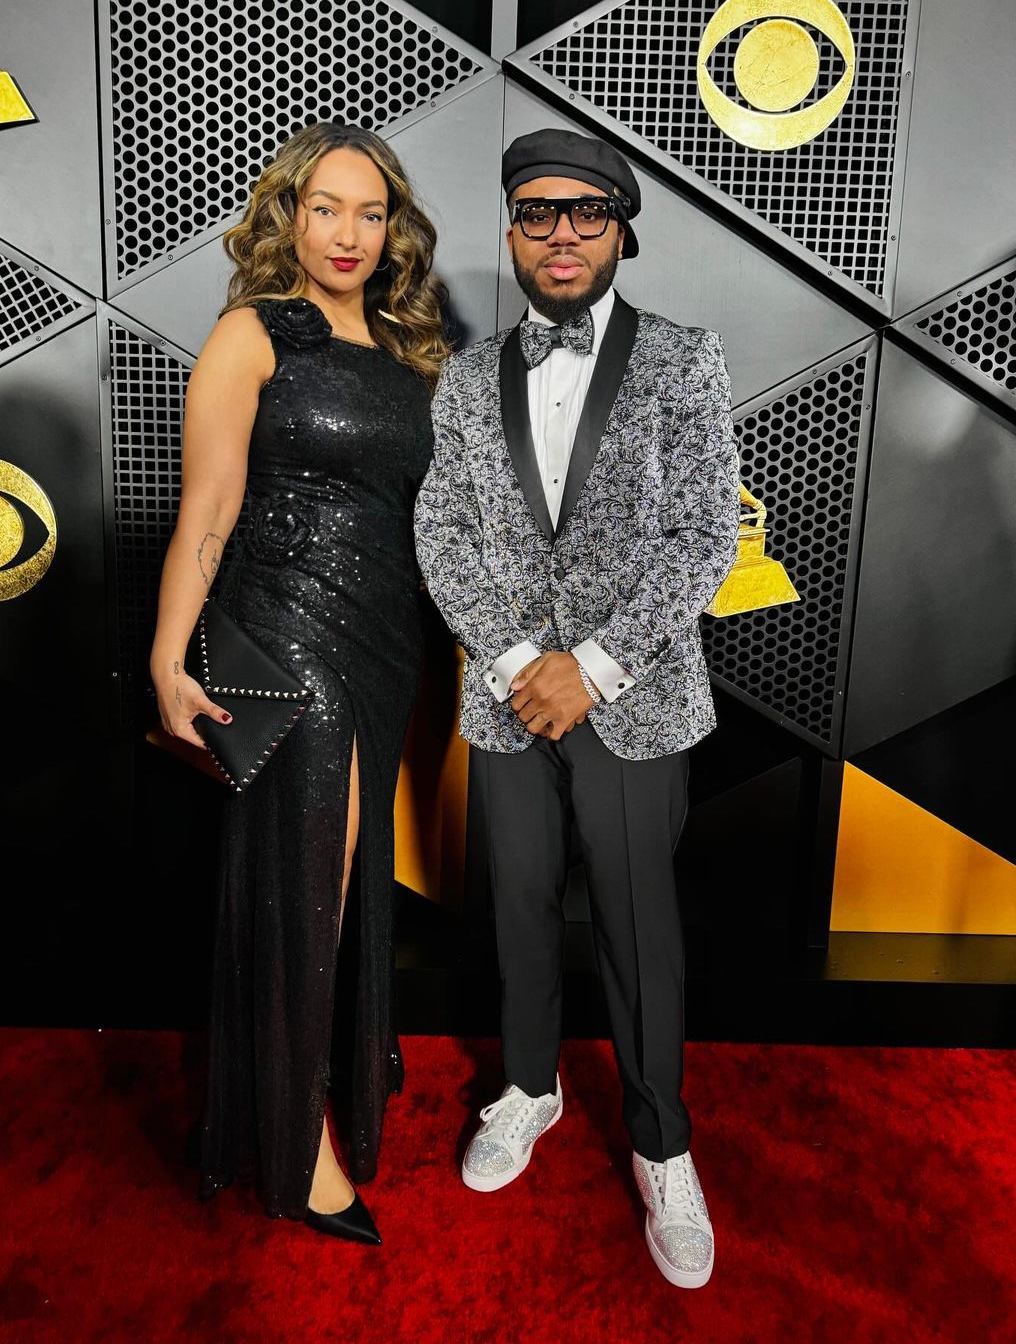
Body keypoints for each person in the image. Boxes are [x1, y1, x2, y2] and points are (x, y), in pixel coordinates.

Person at [414, 128, 739, 1288]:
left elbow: (705, 531)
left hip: (635, 698)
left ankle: (662, 1143)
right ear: (512, 230)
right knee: (515, 906)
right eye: (537, 213)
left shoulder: (687, 360)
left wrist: (591, 665)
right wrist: (517, 663)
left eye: (586, 212)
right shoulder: (464, 380)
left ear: (621, 230)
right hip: (510, 701)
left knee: (640, 927)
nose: (561, 234)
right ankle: (529, 1087)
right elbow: (442, 530)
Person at [150, 121, 447, 1244]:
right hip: (286, 636)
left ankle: (297, 1083)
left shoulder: (409, 350)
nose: (347, 233)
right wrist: (168, 655)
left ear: (394, 228)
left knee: (335, 878)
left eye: (370, 213)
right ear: (291, 214)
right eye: (326, 208)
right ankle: (295, 1141)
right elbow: (211, 504)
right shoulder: (254, 331)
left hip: (385, 643)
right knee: (307, 880)